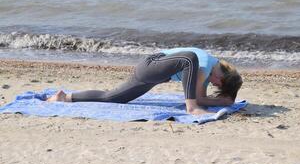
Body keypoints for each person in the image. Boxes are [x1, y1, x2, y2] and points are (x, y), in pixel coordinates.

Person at [48, 47, 243, 115]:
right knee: (189, 57)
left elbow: (199, 97)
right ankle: (189, 109)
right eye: (219, 86)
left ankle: (65, 97)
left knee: (112, 98)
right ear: (222, 77)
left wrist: (221, 102)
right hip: (153, 64)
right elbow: (197, 99)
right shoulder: (205, 64)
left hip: (152, 75)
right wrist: (203, 104)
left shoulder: (208, 72)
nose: (214, 86)